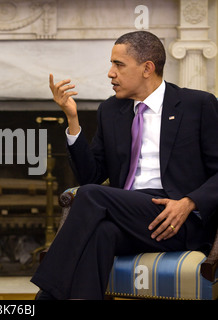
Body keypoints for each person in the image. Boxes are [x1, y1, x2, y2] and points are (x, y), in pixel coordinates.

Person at [31, 31, 218, 299]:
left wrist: (189, 202)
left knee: (90, 196)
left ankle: (45, 293)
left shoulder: (197, 105)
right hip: (126, 213)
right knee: (102, 234)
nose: (110, 73)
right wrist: (72, 119)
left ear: (147, 68)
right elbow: (91, 175)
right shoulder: (111, 110)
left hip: (175, 218)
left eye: (118, 64)